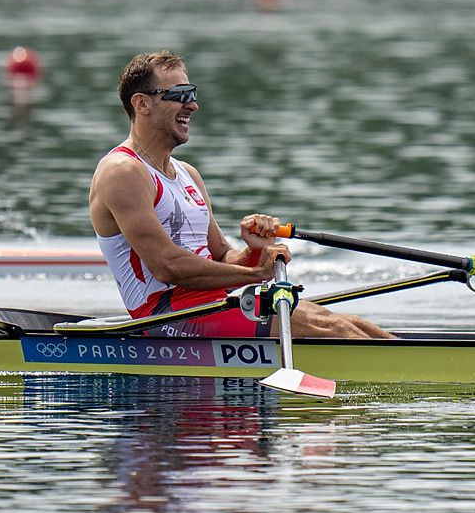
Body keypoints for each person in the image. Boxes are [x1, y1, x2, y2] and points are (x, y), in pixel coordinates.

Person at [88, 51, 392, 339]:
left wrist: (252, 253)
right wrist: (254, 274)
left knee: (352, 324)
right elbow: (167, 266)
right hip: (166, 314)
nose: (192, 106)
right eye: (179, 95)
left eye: (192, 95)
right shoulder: (123, 172)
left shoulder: (187, 174)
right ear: (142, 104)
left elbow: (221, 254)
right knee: (338, 333)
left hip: (214, 302)